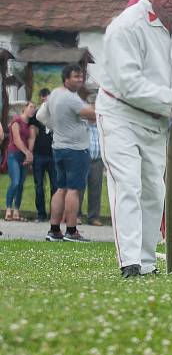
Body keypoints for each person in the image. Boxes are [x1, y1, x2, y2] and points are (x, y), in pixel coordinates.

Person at [96, 0, 172, 277]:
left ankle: (148, 262)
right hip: (119, 115)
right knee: (127, 184)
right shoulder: (125, 26)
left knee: (155, 190)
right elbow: (128, 84)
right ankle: (130, 263)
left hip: (156, 121)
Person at [45, 65, 95, 242]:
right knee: (74, 189)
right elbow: (92, 114)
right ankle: (72, 231)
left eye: (81, 76)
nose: (80, 79)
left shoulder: (54, 94)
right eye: (76, 76)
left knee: (61, 188)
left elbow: (41, 114)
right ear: (65, 78)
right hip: (75, 149)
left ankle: (54, 230)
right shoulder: (70, 98)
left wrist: (55, 127)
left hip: (58, 146)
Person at [4, 102, 37, 222]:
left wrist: (29, 154)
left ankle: (16, 210)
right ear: (24, 108)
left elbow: (32, 139)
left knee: (21, 185)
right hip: (14, 154)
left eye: (34, 108)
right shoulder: (16, 121)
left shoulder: (32, 125)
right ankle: (8, 209)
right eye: (31, 107)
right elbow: (17, 140)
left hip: (25, 156)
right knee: (16, 182)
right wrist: (27, 153)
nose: (33, 110)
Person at [30, 88, 56, 222]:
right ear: (41, 98)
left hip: (53, 155)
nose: (46, 99)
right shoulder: (36, 115)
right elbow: (32, 134)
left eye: (48, 97)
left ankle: (54, 214)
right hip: (39, 155)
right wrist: (30, 153)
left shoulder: (56, 113)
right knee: (39, 185)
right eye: (44, 97)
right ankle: (41, 214)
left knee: (55, 186)